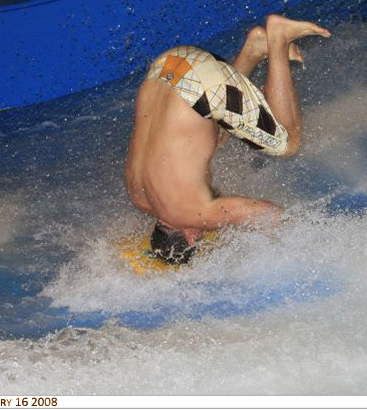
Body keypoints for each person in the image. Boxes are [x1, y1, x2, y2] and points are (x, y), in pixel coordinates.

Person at [125, 14, 331, 264]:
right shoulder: (141, 198)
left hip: (198, 84)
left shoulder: (191, 214)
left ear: (191, 238)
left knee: (287, 144)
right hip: (166, 67)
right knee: (215, 135)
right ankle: (254, 49)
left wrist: (306, 247)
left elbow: (264, 213)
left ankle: (279, 37)